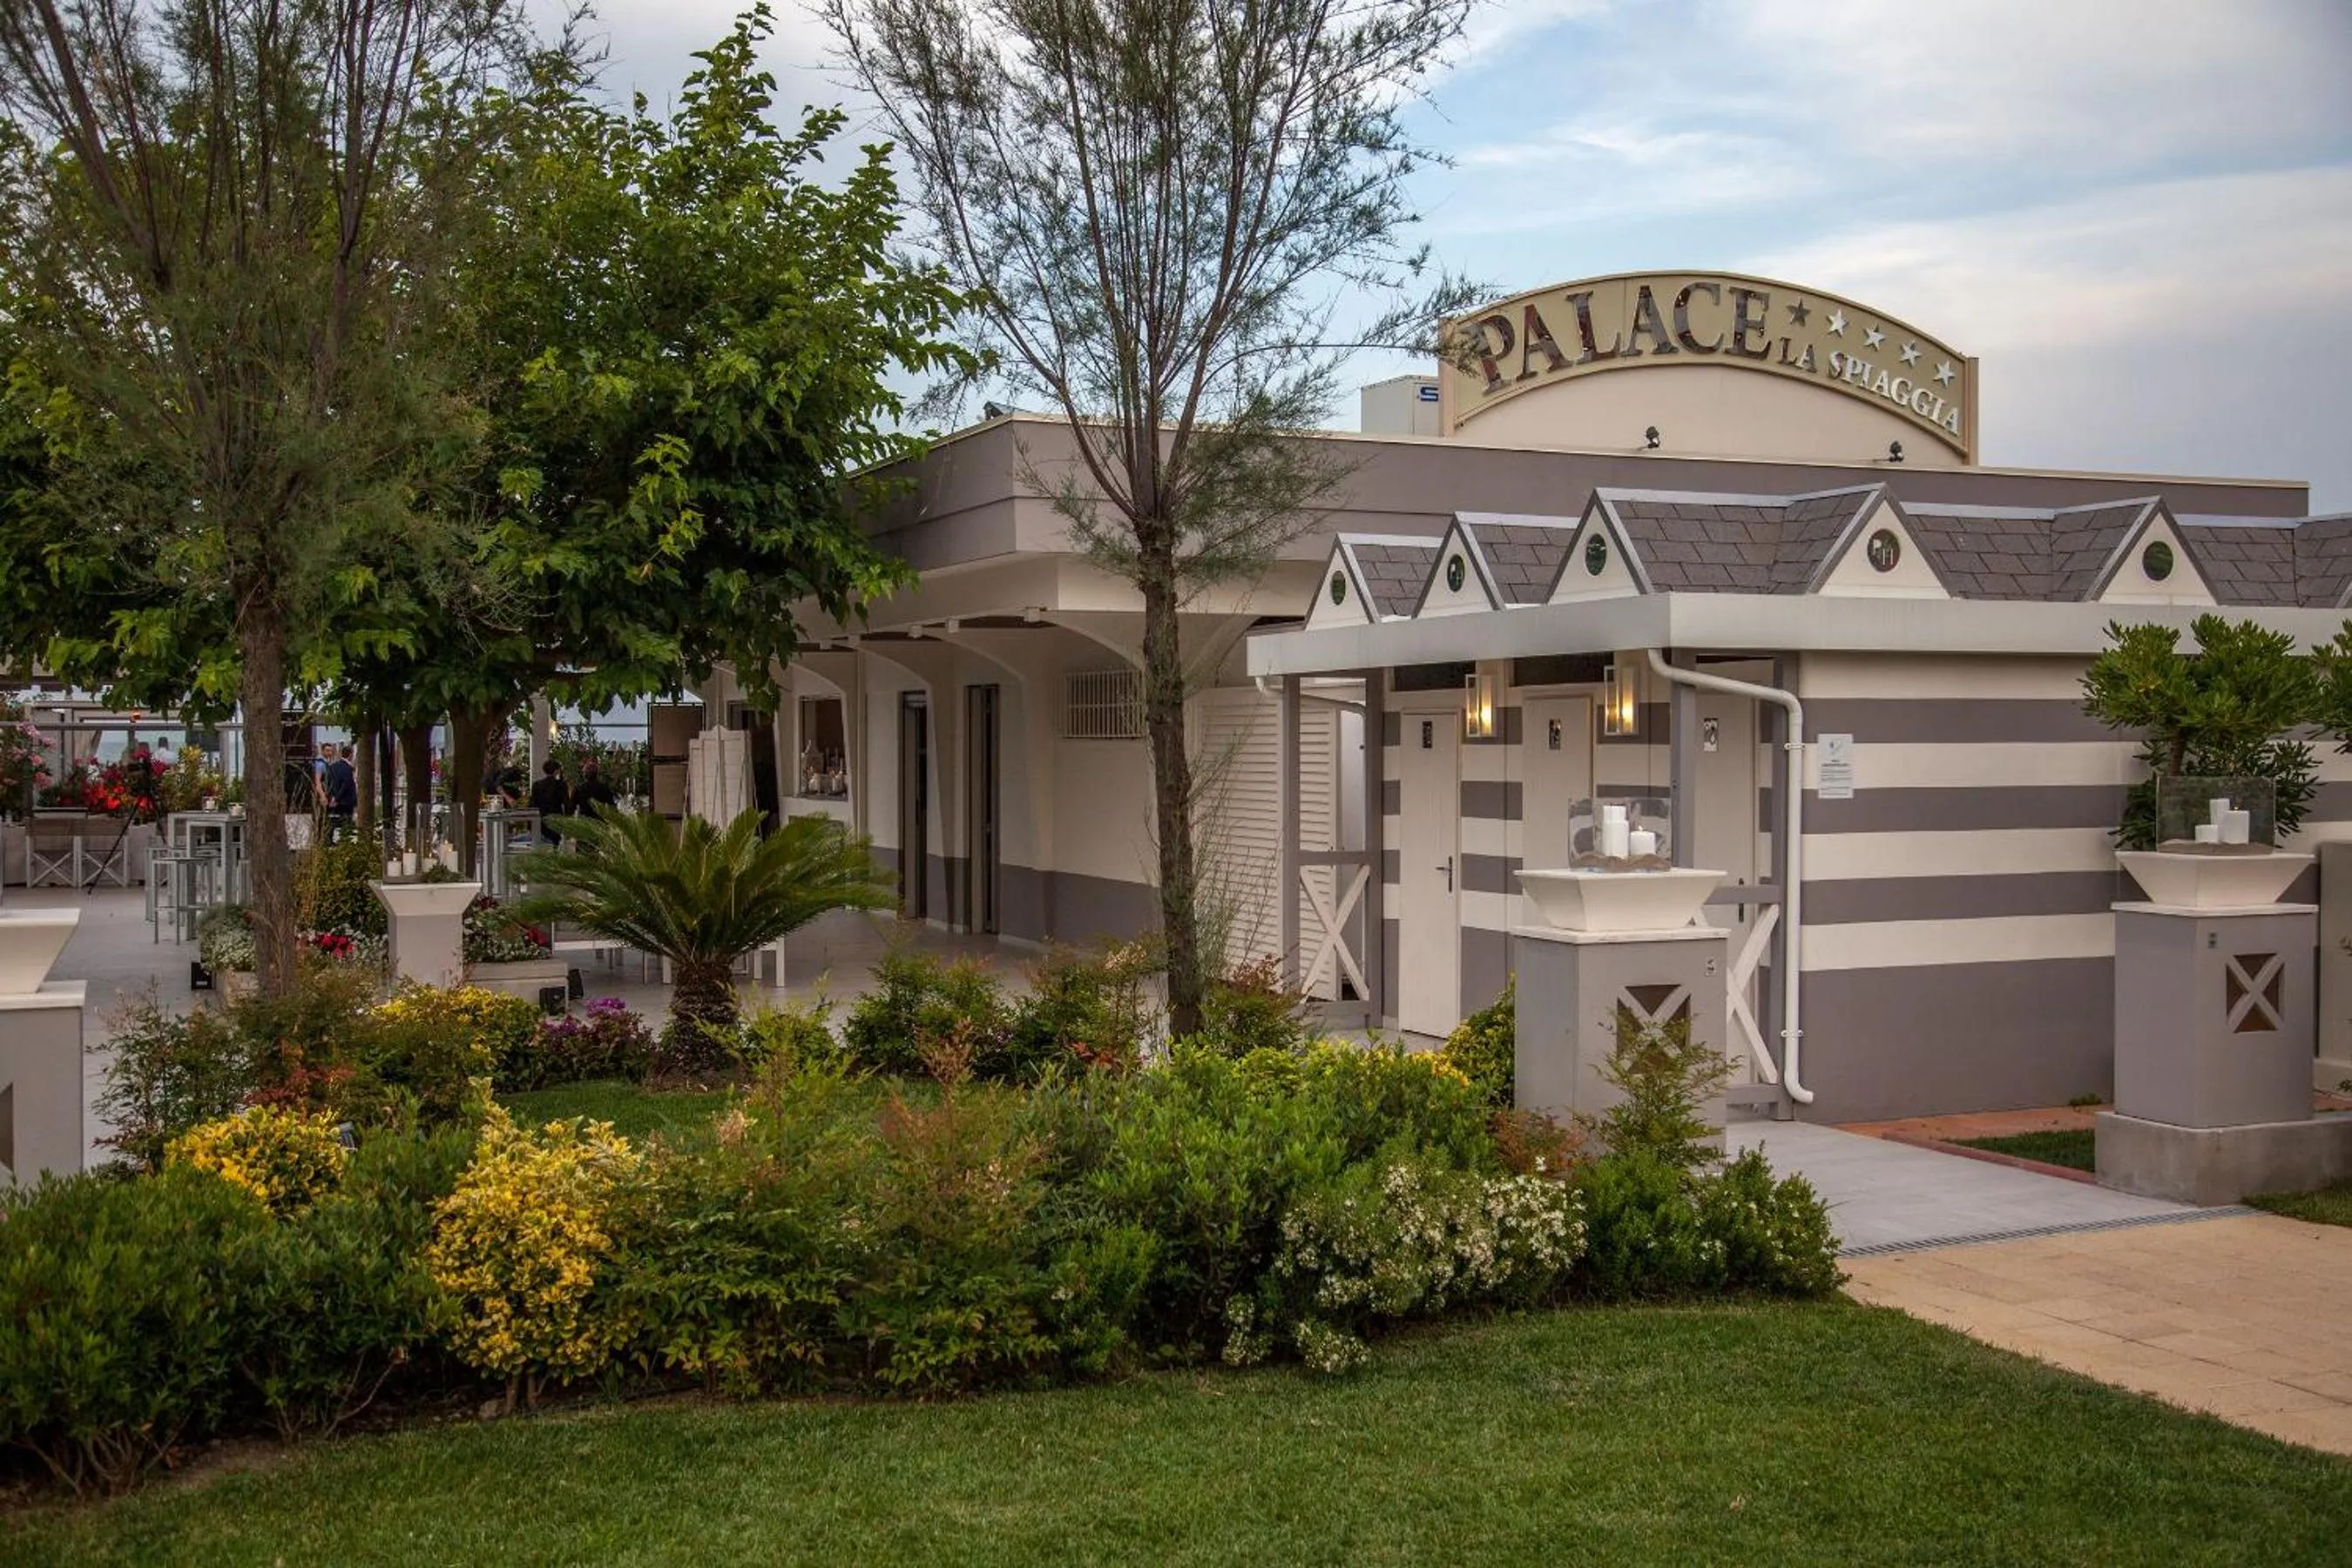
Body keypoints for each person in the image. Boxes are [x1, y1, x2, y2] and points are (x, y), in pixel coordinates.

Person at [319, 742, 358, 838]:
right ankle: (344, 841)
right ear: (350, 755)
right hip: (346, 800)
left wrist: (333, 797)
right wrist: (337, 798)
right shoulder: (348, 769)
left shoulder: (333, 766)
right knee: (346, 821)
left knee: (333, 819)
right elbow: (346, 785)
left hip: (334, 799)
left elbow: (329, 783)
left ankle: (329, 839)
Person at [528, 758, 571, 842]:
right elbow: (566, 803)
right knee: (555, 842)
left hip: (541, 819)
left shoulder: (537, 785)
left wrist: (530, 823)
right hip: (556, 819)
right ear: (556, 771)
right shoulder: (561, 785)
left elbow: (532, 804)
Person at [571, 757, 618, 821]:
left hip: (584, 821)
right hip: (600, 820)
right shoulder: (603, 787)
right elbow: (612, 806)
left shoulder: (579, 788)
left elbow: (572, 806)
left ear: (584, 775)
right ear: (596, 774)